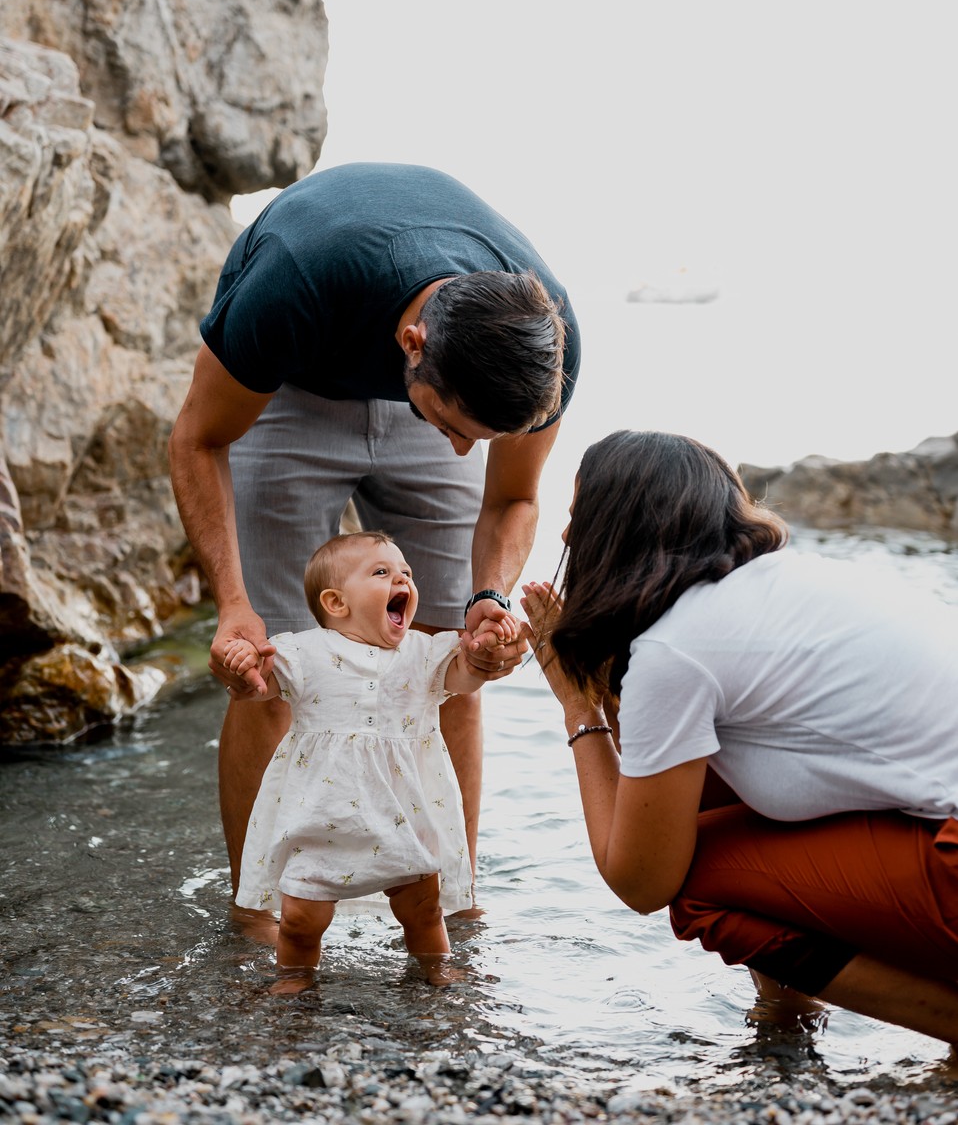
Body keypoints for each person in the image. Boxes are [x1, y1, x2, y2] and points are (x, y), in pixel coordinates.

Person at [168, 161, 580, 904]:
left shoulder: (542, 345)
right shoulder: (296, 279)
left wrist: (490, 595)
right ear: (412, 342)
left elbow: (512, 496)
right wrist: (232, 602)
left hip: (449, 375)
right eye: (457, 432)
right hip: (292, 383)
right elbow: (197, 438)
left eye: (478, 439)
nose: (463, 454)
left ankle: (449, 907)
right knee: (263, 670)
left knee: (460, 655)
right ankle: (260, 917)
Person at [520, 429, 958, 1051]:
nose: (567, 538)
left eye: (577, 518)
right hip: (937, 835)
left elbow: (642, 880)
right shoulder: (776, 589)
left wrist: (577, 705)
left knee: (694, 884)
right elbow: (683, 791)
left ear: (620, 529)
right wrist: (613, 689)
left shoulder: (677, 646)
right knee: (710, 803)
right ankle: (788, 1021)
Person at [216, 530, 527, 993]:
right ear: (336, 603)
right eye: (382, 572)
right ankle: (297, 975)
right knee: (301, 918)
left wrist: (482, 647)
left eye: (406, 572)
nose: (401, 578)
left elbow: (463, 676)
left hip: (400, 814)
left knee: (423, 908)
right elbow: (262, 677)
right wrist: (243, 661)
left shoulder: (424, 652)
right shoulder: (303, 652)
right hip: (321, 817)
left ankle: (436, 966)